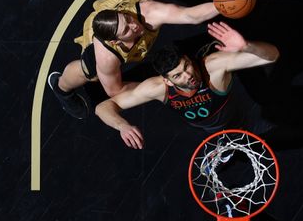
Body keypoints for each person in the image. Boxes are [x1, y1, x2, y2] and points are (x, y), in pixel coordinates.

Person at [47, 0, 219, 120]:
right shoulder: (106, 56)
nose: (134, 25)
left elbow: (191, 16)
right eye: (126, 29)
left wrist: (224, 4)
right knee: (88, 72)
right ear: (115, 41)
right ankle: (61, 88)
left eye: (128, 19)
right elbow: (116, 90)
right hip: (99, 34)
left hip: (116, 5)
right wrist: (165, 87)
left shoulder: (146, 12)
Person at [95, 22, 279, 149]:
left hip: (239, 117)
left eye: (187, 65)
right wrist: (122, 126)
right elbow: (103, 107)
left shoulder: (213, 67)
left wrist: (247, 46)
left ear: (189, 59)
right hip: (207, 130)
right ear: (167, 80)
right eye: (178, 75)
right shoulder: (158, 88)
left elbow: (272, 55)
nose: (188, 75)